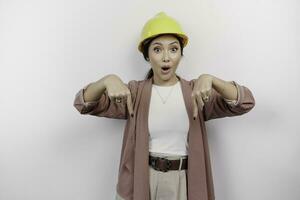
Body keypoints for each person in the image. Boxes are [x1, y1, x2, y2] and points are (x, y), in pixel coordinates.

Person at [73, 12, 255, 200]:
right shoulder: (134, 94)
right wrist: (106, 80)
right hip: (143, 180)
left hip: (185, 182)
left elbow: (245, 102)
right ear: (147, 55)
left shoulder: (196, 92)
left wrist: (212, 80)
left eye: (173, 49)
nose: (166, 57)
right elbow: (83, 104)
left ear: (180, 54)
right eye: (158, 50)